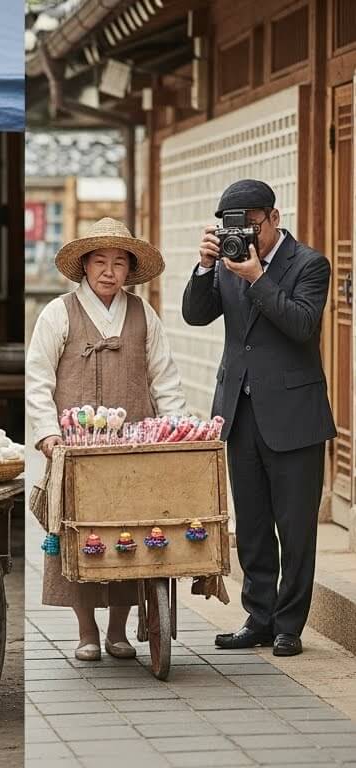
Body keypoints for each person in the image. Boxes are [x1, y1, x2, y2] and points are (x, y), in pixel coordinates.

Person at [183, 179, 336, 657]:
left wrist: (256, 278)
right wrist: (206, 267)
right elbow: (194, 315)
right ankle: (259, 617)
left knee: (296, 527)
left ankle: (290, 625)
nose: (242, 234)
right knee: (250, 524)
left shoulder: (309, 263)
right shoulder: (228, 260)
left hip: (294, 415)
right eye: (231, 225)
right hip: (239, 411)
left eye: (250, 224)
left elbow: (301, 324)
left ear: (273, 216)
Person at [27, 217, 188, 661]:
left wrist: (176, 431)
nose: (109, 271)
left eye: (119, 263)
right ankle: (86, 631)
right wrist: (47, 435)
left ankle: (118, 630)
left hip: (133, 446)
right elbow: (37, 379)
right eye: (100, 261)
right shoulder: (59, 312)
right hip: (74, 449)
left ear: (129, 270)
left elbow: (165, 379)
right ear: (84, 266)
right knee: (78, 535)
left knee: (127, 537)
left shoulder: (142, 314)